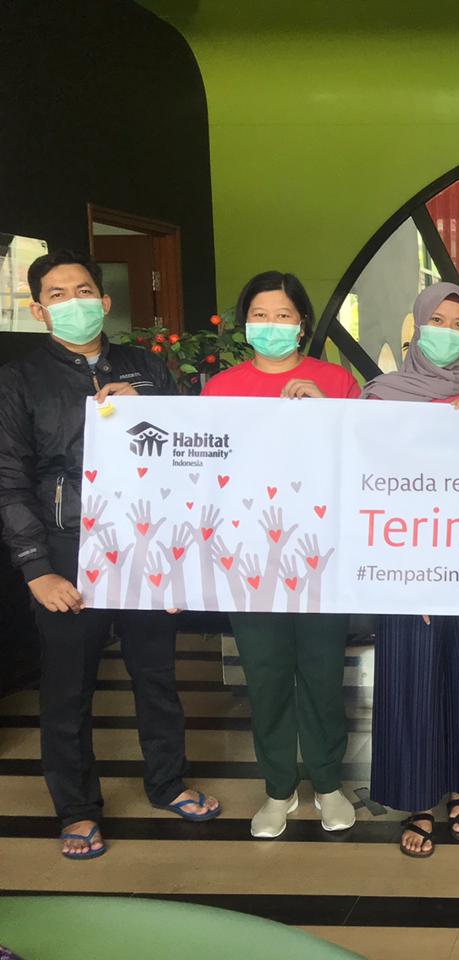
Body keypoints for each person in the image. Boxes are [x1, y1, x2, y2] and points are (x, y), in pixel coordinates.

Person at [0, 249, 220, 859]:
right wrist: (36, 568)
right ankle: (76, 809)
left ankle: (167, 782)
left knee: (156, 675)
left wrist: (147, 408)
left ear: (104, 301)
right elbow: (8, 480)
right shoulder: (20, 381)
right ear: (40, 310)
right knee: (67, 689)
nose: (73, 303)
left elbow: (190, 456)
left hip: (145, 546)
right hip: (66, 552)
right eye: (58, 295)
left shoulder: (147, 367)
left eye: (83, 291)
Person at [202, 271, 360, 838]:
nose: (271, 325)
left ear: (302, 323)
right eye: (260, 315)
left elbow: (364, 458)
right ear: (245, 322)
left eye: (283, 315)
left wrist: (328, 411)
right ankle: (278, 789)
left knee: (322, 673)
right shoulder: (221, 389)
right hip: (249, 559)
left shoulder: (335, 381)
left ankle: (328, 783)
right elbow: (205, 470)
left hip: (319, 553)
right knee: (265, 675)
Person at [363, 283, 459, 859]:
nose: (448, 332)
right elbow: (367, 477)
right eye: (439, 321)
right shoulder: (381, 396)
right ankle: (419, 800)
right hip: (405, 560)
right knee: (413, 678)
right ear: (418, 324)